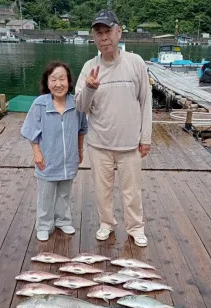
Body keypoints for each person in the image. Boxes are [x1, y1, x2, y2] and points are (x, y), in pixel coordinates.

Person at [75, 9, 152, 247]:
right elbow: (80, 106)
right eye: (98, 33)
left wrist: (146, 137)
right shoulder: (89, 67)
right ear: (94, 38)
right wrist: (90, 87)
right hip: (99, 144)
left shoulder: (135, 62)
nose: (104, 37)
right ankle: (106, 223)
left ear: (119, 32)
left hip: (130, 143)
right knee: (102, 190)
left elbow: (146, 101)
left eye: (108, 31)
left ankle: (136, 227)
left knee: (132, 191)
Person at [21, 62, 87, 241]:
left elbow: (82, 129)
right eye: (54, 79)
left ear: (69, 81)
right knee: (46, 195)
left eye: (62, 79)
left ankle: (63, 221)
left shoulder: (76, 103)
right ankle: (43, 225)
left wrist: (80, 150)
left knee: (64, 193)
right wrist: (37, 153)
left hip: (69, 158)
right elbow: (31, 130)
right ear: (47, 82)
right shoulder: (40, 104)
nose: (58, 84)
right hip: (48, 158)